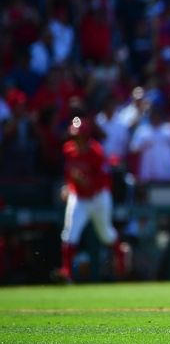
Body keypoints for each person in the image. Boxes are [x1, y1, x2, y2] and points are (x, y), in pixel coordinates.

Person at [55, 117, 126, 282]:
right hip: (79, 197)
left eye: (79, 136)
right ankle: (67, 272)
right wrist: (68, 186)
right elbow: (70, 174)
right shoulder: (68, 150)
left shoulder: (96, 152)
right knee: (70, 234)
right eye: (74, 136)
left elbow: (103, 181)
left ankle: (120, 255)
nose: (76, 140)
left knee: (106, 235)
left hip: (98, 197)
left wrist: (86, 182)